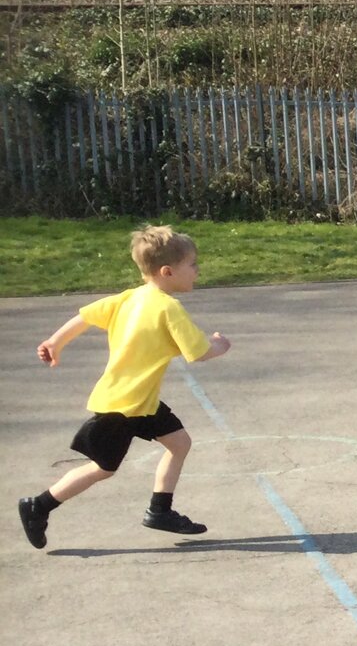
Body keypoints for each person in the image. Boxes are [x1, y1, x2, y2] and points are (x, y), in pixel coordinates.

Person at [18, 225, 232, 548]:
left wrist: (55, 341)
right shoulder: (168, 308)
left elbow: (85, 316)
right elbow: (199, 352)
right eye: (193, 265)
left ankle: (160, 511)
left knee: (180, 442)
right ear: (168, 271)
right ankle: (38, 506)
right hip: (123, 408)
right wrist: (219, 344)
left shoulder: (129, 298)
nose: (197, 271)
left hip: (140, 402)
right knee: (102, 469)